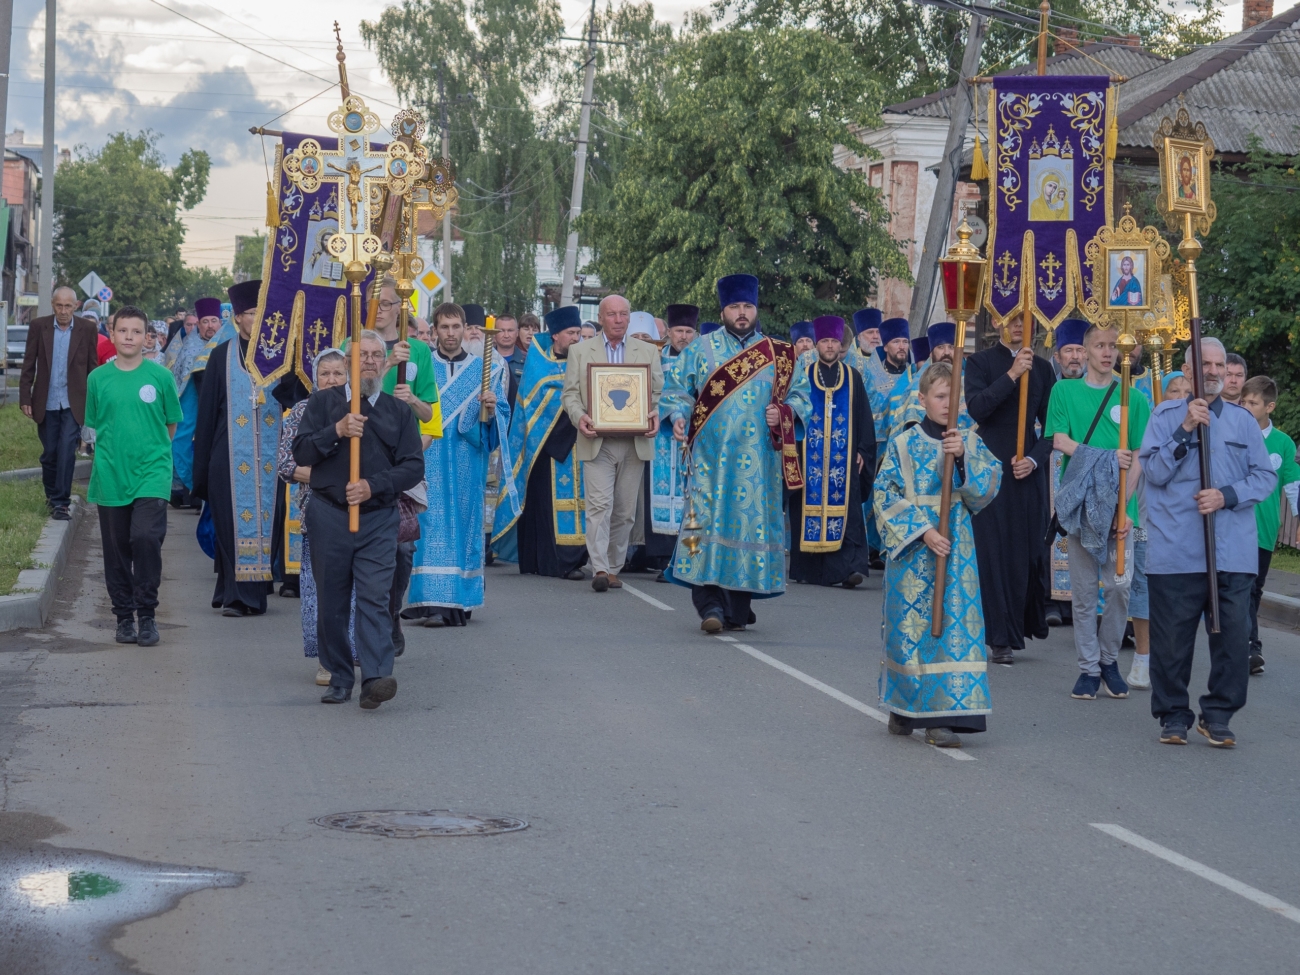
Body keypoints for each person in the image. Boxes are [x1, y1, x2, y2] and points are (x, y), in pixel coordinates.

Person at [1140, 337, 1275, 747]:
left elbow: (1264, 477)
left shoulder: (1242, 422)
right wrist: (1184, 431)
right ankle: (1173, 716)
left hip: (1231, 550)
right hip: (1177, 550)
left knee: (1234, 640)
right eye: (1206, 364)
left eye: (1220, 364)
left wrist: (1225, 495)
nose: (1214, 371)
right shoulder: (1165, 417)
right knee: (1172, 644)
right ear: (1188, 371)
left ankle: (1217, 714)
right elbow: (1155, 473)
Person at [661, 274, 811, 631]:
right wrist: (679, 415)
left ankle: (736, 606)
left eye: (747, 307)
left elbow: (801, 397)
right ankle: (708, 604)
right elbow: (676, 390)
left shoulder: (781, 355)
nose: (741, 313)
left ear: (755, 308)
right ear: (723, 309)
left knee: (748, 529)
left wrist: (785, 413)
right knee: (704, 526)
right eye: (734, 307)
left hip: (759, 463)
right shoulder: (701, 348)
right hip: (709, 461)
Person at [293, 330, 425, 708]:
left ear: (385, 362)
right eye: (361, 354)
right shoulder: (322, 403)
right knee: (332, 600)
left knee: (374, 596)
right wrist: (336, 431)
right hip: (329, 514)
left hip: (378, 518)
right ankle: (339, 676)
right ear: (349, 361)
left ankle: (377, 677)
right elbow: (301, 451)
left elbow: (413, 466)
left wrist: (373, 485)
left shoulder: (398, 411)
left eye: (375, 354)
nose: (368, 360)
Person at [876, 362, 1002, 747]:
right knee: (912, 633)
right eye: (940, 396)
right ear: (923, 399)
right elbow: (884, 496)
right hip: (915, 553)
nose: (948, 404)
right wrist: (925, 531)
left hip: (958, 551)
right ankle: (904, 707)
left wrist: (962, 459)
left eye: (954, 397)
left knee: (953, 632)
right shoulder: (902, 444)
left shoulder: (968, 440)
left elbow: (986, 490)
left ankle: (942, 716)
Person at [1046, 323, 1150, 700]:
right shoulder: (1064, 390)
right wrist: (1107, 457)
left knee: (1120, 587)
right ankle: (1089, 669)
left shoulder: (1133, 398)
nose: (1107, 352)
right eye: (1099, 345)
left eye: (1112, 346)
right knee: (1085, 593)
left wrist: (1126, 506)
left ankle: (1110, 659)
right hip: (1082, 506)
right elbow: (1060, 440)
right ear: (1086, 350)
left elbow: (1138, 455)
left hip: (1123, 509)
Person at [406, 301, 516, 624]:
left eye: (456, 327)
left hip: (469, 461)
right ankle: (427, 599)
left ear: (466, 329)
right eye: (444, 327)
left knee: (465, 524)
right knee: (426, 526)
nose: (451, 334)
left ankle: (459, 600)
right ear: (436, 330)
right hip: (428, 457)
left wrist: (493, 409)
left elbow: (498, 426)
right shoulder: (423, 366)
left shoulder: (488, 369)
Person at [84, 306, 183, 647]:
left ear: (146, 337)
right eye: (123, 331)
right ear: (112, 334)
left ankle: (148, 615)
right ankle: (124, 617)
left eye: (136, 331)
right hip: (110, 474)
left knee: (144, 538)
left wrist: (153, 453)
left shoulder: (161, 377)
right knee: (116, 550)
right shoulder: (98, 379)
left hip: (151, 473)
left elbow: (170, 424)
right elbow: (95, 425)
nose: (129, 337)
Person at [964, 311, 1056, 666]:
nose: (1020, 326)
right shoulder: (981, 362)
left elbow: (1051, 430)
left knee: (1026, 551)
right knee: (993, 552)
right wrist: (1013, 374)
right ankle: (998, 637)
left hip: (1025, 472)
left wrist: (1033, 460)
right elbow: (978, 409)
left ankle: (1017, 625)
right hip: (989, 467)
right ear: (1000, 323)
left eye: (1027, 320)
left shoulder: (1045, 370)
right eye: (1013, 319)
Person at [562, 294, 664, 592]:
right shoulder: (581, 351)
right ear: (601, 317)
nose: (619, 320)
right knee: (599, 506)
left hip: (634, 441)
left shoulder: (647, 351)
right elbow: (570, 394)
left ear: (629, 317)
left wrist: (654, 414)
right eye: (612, 314)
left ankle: (615, 564)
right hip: (598, 440)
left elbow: (657, 393)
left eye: (624, 314)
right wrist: (580, 416)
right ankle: (601, 568)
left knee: (624, 511)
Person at [191, 281, 279, 617]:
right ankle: (234, 595)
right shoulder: (220, 355)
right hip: (227, 456)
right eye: (254, 314)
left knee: (265, 525)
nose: (259, 320)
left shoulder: (278, 355)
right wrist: (202, 468)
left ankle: (256, 594)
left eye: (263, 314)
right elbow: (208, 412)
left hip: (270, 458)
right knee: (230, 524)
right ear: (239, 317)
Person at [365, 273, 442, 652]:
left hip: (400, 461)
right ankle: (369, 622)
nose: (379, 311)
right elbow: (343, 394)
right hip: (362, 458)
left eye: (387, 304)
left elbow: (429, 413)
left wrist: (412, 401)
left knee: (402, 548)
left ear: (401, 308)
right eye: (374, 303)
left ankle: (392, 611)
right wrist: (381, 364)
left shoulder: (420, 352)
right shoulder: (353, 344)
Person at [277, 348, 356, 685]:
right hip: (318, 514)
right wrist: (331, 476)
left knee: (360, 589)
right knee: (321, 590)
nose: (331, 380)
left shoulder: (360, 411)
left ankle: (358, 650)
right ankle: (327, 660)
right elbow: (286, 465)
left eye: (338, 373)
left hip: (361, 513)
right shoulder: (299, 413)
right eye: (325, 374)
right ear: (314, 377)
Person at [492, 306, 589, 579]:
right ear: (556, 335)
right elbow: (531, 406)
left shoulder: (582, 361)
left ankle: (572, 560)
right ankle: (549, 560)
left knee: (577, 501)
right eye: (571, 333)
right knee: (546, 503)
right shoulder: (538, 361)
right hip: (543, 445)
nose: (575, 338)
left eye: (578, 333)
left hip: (577, 440)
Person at [788, 316, 875, 588]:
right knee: (806, 509)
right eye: (824, 341)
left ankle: (848, 570)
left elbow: (864, 418)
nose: (829, 346)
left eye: (834, 341)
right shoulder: (803, 376)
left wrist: (862, 449)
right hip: (809, 457)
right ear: (816, 344)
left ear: (841, 344)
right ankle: (810, 569)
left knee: (847, 511)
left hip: (843, 458)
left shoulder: (853, 377)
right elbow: (793, 413)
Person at [19, 285, 99, 520]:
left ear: (76, 306)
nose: (63, 311)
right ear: (53, 305)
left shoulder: (87, 329)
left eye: (68, 306)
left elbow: (92, 367)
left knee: (66, 450)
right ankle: (51, 496)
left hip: (74, 402)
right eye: (59, 305)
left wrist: (95, 400)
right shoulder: (39, 326)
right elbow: (28, 363)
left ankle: (61, 503)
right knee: (50, 452)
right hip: (46, 401)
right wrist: (25, 396)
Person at [1239, 376, 1300, 676]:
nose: (1246, 406)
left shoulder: (1283, 443)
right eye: (1244, 401)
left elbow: (1293, 484)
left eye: (1253, 403)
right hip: (1234, 525)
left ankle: (1243, 642)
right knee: (1244, 587)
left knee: (1254, 589)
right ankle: (1251, 646)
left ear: (1269, 406)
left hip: (1264, 530)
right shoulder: (1234, 433)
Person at [637, 303, 698, 581]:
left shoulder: (704, 362)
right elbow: (646, 395)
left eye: (688, 331)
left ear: (694, 334)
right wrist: (667, 414)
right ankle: (664, 560)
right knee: (660, 498)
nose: (683, 336)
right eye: (678, 331)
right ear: (669, 332)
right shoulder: (655, 361)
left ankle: (689, 557)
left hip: (693, 441)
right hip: (661, 439)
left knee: (692, 498)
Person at [1045, 318, 1088, 626]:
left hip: (1086, 466)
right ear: (1057, 356)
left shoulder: (1100, 386)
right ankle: (1051, 601)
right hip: (1053, 467)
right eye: (1068, 350)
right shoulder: (1050, 387)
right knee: (1053, 528)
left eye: (1079, 350)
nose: (1074, 356)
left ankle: (1083, 601)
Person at [166, 296, 222, 504]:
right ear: (198, 325)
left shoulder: (228, 343)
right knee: (181, 443)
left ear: (220, 323)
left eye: (214, 321)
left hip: (223, 406)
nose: (210, 326)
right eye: (205, 322)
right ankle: (198, 487)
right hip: (195, 403)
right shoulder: (191, 349)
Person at [866, 317, 913, 444]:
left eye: (905, 342)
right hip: (879, 444)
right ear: (885, 347)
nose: (902, 347)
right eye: (896, 342)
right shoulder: (870, 376)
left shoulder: (915, 377)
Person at [493, 313, 527, 405]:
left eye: (510, 330)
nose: (506, 335)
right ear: (494, 333)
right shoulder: (485, 359)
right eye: (501, 330)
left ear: (517, 333)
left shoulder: (527, 360)